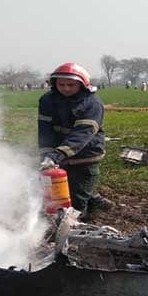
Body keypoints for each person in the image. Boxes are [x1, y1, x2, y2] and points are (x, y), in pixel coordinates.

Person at [38, 63, 111, 217]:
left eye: (71, 85)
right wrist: (46, 153)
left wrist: (56, 154)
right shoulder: (47, 101)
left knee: (77, 201)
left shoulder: (92, 104)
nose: (65, 88)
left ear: (82, 84)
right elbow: (45, 129)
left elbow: (82, 134)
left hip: (85, 156)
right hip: (60, 155)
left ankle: (81, 222)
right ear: (54, 84)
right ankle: (93, 199)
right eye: (61, 84)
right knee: (64, 187)